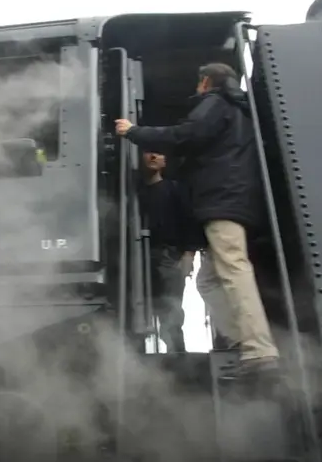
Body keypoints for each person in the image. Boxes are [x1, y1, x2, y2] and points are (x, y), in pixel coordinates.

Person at [115, 62, 279, 379]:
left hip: (223, 200)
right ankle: (238, 340)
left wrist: (134, 132)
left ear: (206, 81)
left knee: (233, 267)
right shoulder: (238, 112)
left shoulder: (216, 103)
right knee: (209, 280)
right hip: (230, 198)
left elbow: (187, 134)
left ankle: (259, 350)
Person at [137, 151, 203, 354]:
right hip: (138, 258)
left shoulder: (174, 189)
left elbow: (190, 221)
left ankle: (177, 355)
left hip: (168, 255)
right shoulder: (132, 193)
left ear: (165, 161)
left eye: (159, 153)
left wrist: (189, 254)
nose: (153, 157)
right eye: (148, 152)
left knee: (171, 310)